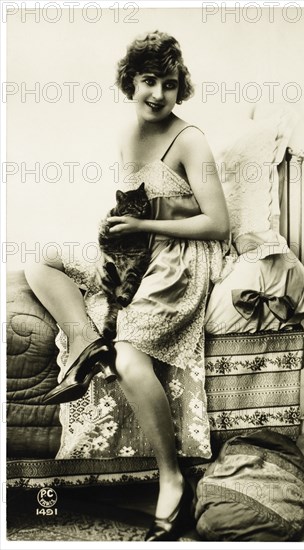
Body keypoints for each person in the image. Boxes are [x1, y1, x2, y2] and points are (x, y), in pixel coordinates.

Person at [24, 30, 230, 541]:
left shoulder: (191, 139)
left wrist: (142, 229)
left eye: (168, 82)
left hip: (181, 262)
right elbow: (136, 205)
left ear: (180, 86)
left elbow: (218, 224)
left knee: (131, 358)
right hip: (134, 252)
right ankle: (82, 339)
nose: (157, 93)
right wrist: (115, 227)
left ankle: (170, 477)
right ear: (130, 82)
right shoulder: (128, 134)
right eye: (147, 81)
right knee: (40, 261)